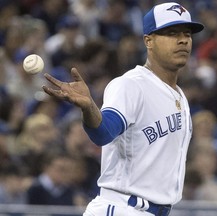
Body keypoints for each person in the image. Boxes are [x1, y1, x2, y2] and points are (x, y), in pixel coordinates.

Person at [42, 2, 204, 216]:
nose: (183, 39)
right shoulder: (131, 85)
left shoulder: (180, 96)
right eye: (172, 33)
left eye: (187, 34)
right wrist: (90, 108)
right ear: (149, 41)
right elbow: (104, 132)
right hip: (123, 208)